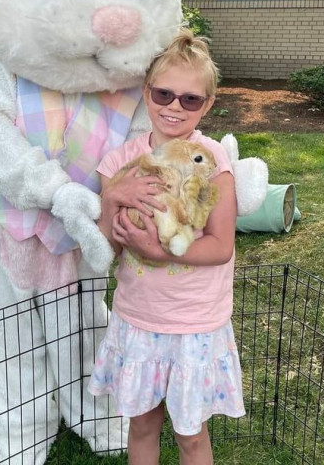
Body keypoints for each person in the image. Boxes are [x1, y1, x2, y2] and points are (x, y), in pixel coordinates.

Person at [88, 28, 245, 465]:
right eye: (164, 94)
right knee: (141, 425)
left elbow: (219, 246)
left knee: (190, 434)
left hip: (194, 322)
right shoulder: (120, 162)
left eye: (190, 100)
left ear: (207, 104)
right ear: (146, 93)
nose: (174, 107)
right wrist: (112, 200)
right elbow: (106, 249)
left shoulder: (211, 162)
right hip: (139, 318)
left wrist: (160, 252)